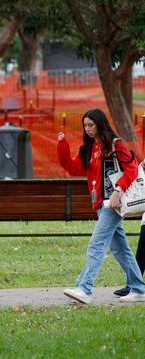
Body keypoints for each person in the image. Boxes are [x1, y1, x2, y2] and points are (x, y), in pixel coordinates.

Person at [57, 108, 145, 304]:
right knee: (120, 249)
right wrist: (62, 146)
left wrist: (117, 191)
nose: (87, 129)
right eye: (85, 126)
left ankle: (84, 288)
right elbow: (73, 168)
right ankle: (138, 288)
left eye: (91, 125)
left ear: (100, 124)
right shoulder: (89, 148)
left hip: (114, 203)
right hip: (100, 203)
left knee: (97, 244)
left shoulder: (116, 144)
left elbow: (131, 170)